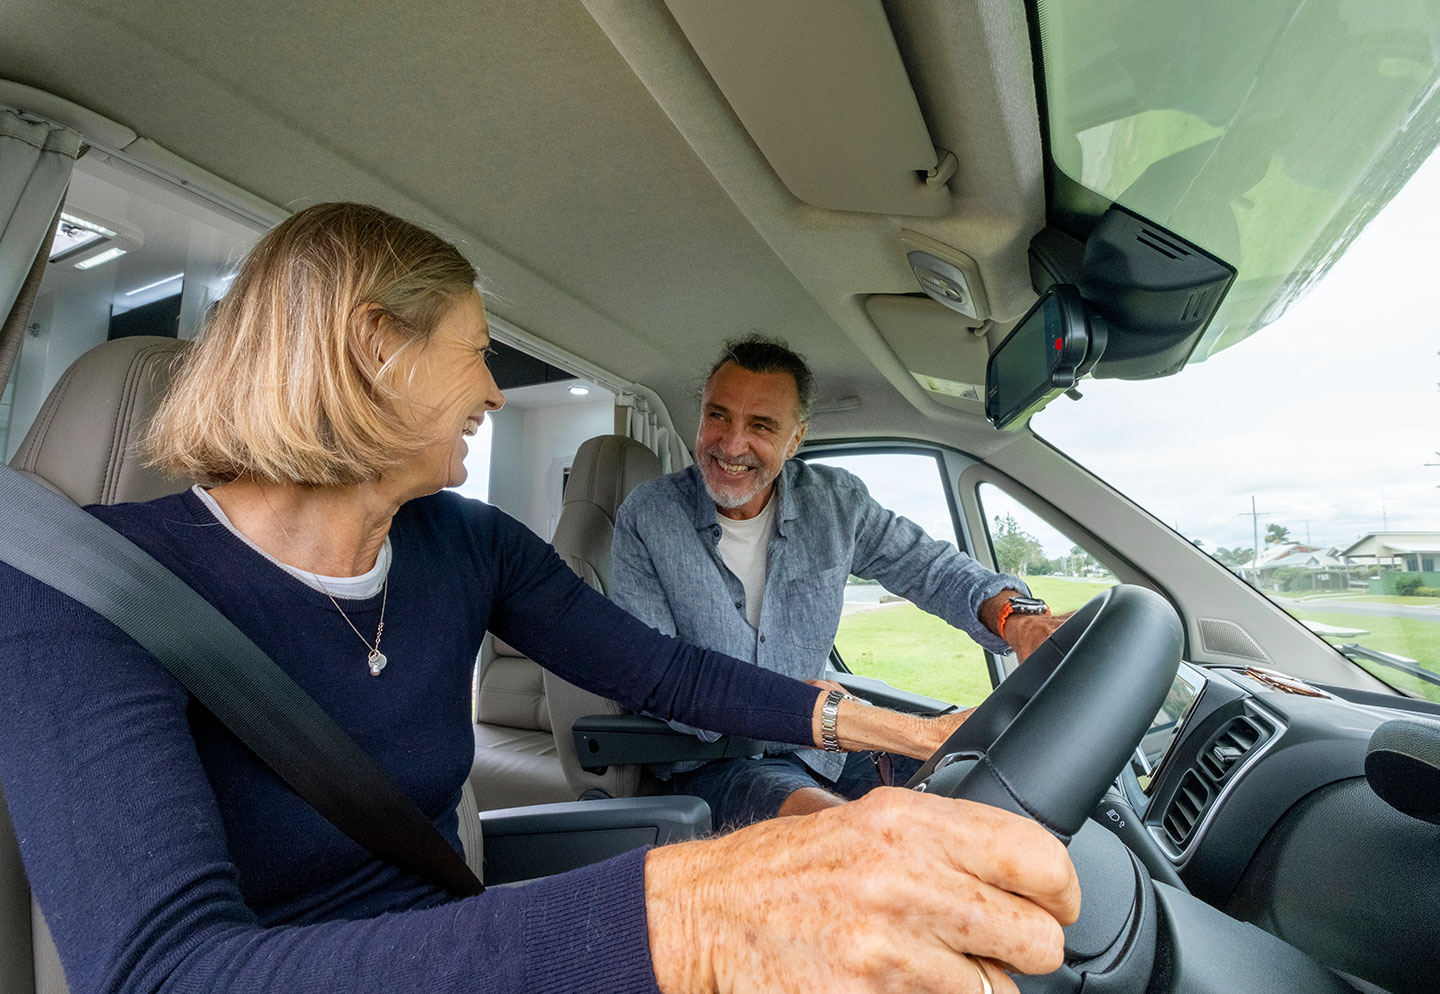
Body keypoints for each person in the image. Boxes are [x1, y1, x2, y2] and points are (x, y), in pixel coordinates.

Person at [0, 203, 1077, 994]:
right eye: (474, 353)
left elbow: (670, 673)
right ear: (379, 346)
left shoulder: (469, 546)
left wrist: (901, 724)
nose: (489, 391)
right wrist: (686, 914)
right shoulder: (85, 595)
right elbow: (168, 975)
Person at [612, 334, 1069, 829]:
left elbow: (932, 570)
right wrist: (844, 719)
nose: (731, 443)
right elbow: (655, 678)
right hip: (716, 761)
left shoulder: (835, 502)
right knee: (849, 835)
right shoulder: (649, 516)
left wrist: (1016, 619)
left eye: (760, 425)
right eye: (717, 415)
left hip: (823, 748)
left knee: (983, 789)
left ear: (796, 439)